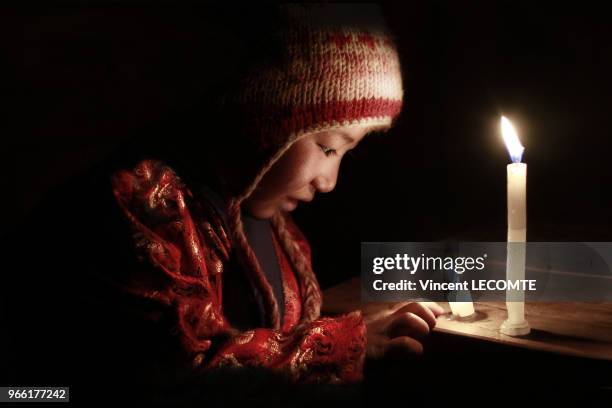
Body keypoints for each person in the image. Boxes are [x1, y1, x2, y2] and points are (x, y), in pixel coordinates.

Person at [3, 3, 442, 404]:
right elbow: (178, 377)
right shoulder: (142, 205)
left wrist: (341, 325)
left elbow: (270, 338)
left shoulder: (273, 228)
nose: (330, 181)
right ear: (268, 118)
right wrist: (344, 344)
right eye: (328, 147)